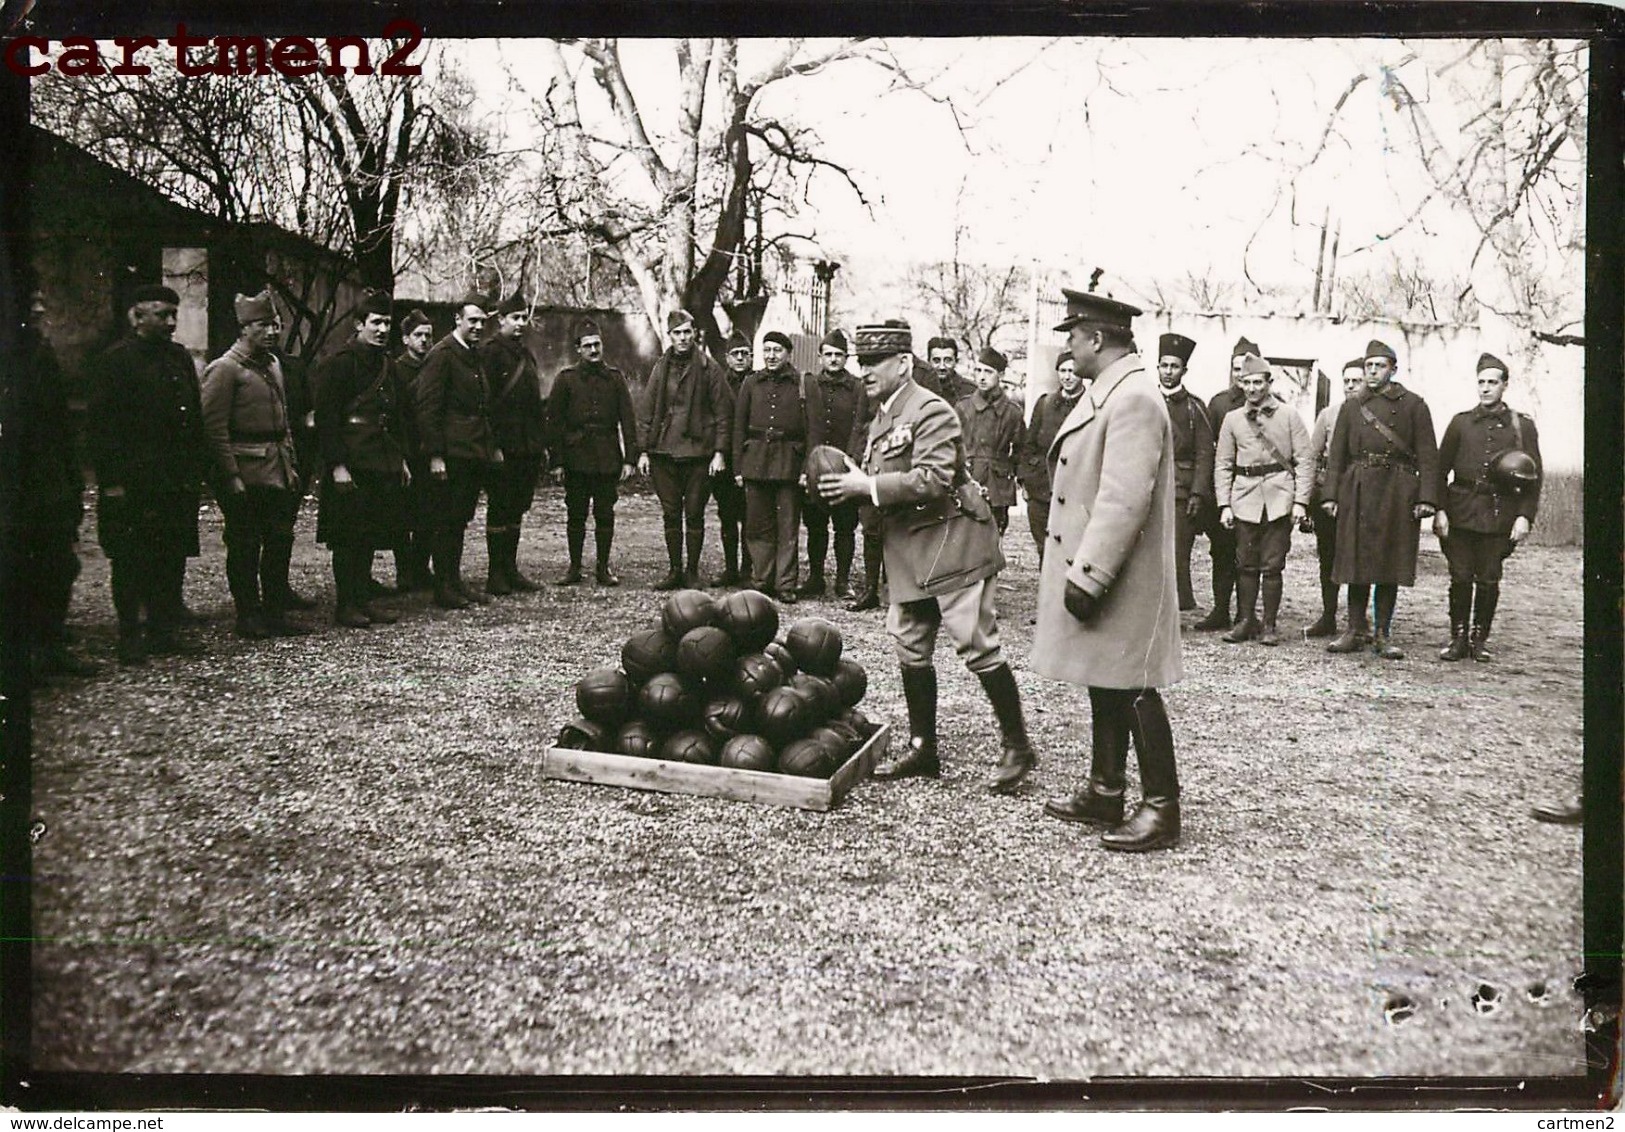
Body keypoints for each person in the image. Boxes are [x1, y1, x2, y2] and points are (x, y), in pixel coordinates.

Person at [817, 319, 1036, 793]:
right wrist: (853, 481)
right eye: (862, 362)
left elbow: (934, 478)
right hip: (912, 549)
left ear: (903, 363)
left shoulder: (931, 410)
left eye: (875, 362)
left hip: (952, 542)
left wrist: (866, 485)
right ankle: (924, 748)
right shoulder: (882, 414)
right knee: (910, 640)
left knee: (975, 642)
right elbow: (888, 477)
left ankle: (1018, 746)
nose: (866, 370)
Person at [1032, 290, 1183, 853]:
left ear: (1097, 339)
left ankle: (1162, 807)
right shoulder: (1116, 389)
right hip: (1109, 567)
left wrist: (1089, 573)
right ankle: (1105, 788)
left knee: (1136, 684)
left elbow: (1124, 499)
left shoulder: (1135, 397)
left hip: (1122, 570)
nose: (1067, 347)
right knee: (1107, 677)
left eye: (1073, 337)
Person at [86, 283, 208, 664]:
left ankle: (161, 630)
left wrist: (194, 470)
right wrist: (113, 483)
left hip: (174, 479)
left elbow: (192, 416)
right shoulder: (115, 361)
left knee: (169, 555)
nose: (172, 322)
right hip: (135, 480)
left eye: (174, 314)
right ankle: (130, 636)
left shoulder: (179, 358)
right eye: (162, 315)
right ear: (137, 317)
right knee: (131, 559)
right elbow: (102, 429)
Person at [199, 290, 308, 639]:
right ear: (244, 328)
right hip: (245, 472)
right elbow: (214, 429)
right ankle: (248, 615)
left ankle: (275, 613)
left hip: (276, 468)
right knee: (245, 545)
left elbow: (285, 422)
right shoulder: (225, 369)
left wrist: (290, 463)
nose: (273, 332)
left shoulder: (274, 365)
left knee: (280, 540)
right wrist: (230, 476)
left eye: (276, 325)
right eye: (263, 326)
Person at [1322, 339, 1440, 660]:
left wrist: (1427, 498)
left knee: (1389, 563)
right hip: (1358, 487)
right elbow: (1337, 457)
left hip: (1396, 491)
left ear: (1393, 369)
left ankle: (1383, 633)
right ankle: (1354, 629)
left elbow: (1429, 455)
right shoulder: (1351, 406)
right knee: (1355, 560)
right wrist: (1330, 495)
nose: (1372, 371)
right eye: (1369, 366)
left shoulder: (1414, 405)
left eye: (1380, 366)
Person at [1434, 352, 1542, 662]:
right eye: (1481, 382)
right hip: (1460, 510)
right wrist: (1440, 510)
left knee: (1489, 576)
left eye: (1492, 382)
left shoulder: (1521, 427)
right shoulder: (1460, 423)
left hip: (1499, 513)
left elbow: (1535, 475)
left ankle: (1479, 639)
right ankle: (1457, 639)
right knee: (1460, 576)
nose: (1485, 388)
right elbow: (1439, 471)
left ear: (1504, 385)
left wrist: (1524, 516)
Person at [313, 290, 412, 628]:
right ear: (359, 325)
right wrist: (337, 465)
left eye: (387, 323)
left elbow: (397, 417)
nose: (383, 329)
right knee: (348, 535)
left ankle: (363, 600)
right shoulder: (341, 363)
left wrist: (400, 458)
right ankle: (346, 605)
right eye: (376, 323)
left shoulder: (386, 364)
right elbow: (326, 418)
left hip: (380, 456)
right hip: (351, 459)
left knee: (370, 532)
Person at [15, 288, 98, 678]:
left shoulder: (40, 353)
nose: (39, 308)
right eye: (29, 301)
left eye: (40, 301)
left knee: (56, 565)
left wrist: (70, 480)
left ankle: (48, 648)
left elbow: (60, 424)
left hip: (46, 482)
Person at [1212, 354, 1314, 646]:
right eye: (1247, 382)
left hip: (1280, 497)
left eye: (1259, 382)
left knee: (1272, 565)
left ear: (1270, 383)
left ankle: (1269, 624)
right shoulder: (1232, 419)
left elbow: (1305, 460)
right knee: (1245, 564)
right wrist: (1224, 505)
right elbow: (1223, 464)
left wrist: (1300, 502)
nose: (1253, 388)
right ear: (1240, 384)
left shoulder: (1289, 415)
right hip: (1244, 497)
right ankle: (1246, 621)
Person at [637, 309, 733, 590]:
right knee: (670, 513)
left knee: (694, 513)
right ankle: (674, 570)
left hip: (698, 454)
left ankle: (692, 571)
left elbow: (723, 413)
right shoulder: (660, 367)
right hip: (663, 452)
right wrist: (642, 450)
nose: (682, 338)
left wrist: (719, 452)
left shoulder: (709, 368)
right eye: (677, 333)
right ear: (669, 336)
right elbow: (646, 411)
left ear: (694, 334)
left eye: (687, 332)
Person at [416, 294, 501, 608]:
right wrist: (435, 454)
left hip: (472, 449)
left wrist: (489, 446)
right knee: (446, 519)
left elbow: (482, 405)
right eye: (472, 321)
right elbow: (428, 408)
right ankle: (444, 587)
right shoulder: (443, 354)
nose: (478, 326)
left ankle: (454, 581)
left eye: (482, 321)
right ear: (457, 320)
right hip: (451, 453)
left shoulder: (473, 354)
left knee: (460, 518)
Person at [548, 318, 639, 586]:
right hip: (576, 458)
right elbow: (554, 423)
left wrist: (630, 459)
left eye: (597, 344)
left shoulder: (615, 378)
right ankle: (574, 567)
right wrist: (557, 461)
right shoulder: (566, 380)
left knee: (605, 513)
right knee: (575, 513)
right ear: (578, 349)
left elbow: (628, 419)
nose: (594, 350)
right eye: (587, 345)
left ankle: (602, 568)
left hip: (606, 458)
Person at [479, 295, 549, 596]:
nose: (521, 324)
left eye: (523, 318)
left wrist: (541, 443)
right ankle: (496, 574)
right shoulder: (490, 353)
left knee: (517, 507)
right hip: (503, 444)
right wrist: (492, 444)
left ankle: (511, 569)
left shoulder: (526, 355)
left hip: (527, 445)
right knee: (500, 506)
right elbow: (484, 403)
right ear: (501, 320)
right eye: (514, 318)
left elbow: (534, 404)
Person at [732, 330, 809, 601]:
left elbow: (811, 431)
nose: (771, 355)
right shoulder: (751, 383)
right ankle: (761, 578)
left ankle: (785, 583)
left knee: (787, 526)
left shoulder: (801, 383)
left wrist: (806, 470)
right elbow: (738, 427)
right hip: (756, 462)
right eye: (767, 350)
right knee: (757, 525)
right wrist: (738, 468)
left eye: (777, 350)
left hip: (789, 461)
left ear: (788, 353)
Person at [1194, 337, 1258, 631]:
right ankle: (1221, 609)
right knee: (1221, 551)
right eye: (1236, 369)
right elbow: (1207, 449)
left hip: (1258, 489)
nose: (1241, 375)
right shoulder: (1218, 403)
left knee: (1251, 552)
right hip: (1225, 489)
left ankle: (1247, 614)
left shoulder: (1275, 405)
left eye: (1246, 368)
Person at [801, 329, 866, 599]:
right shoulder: (810, 385)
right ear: (820, 358)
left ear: (847, 358)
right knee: (815, 524)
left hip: (844, 469)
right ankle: (815, 577)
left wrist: (849, 462)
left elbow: (860, 426)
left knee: (844, 525)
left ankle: (842, 580)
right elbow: (804, 428)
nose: (833, 359)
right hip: (814, 466)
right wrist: (806, 467)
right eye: (828, 355)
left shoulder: (858, 387)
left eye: (839, 355)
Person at [1304, 359, 1366, 637]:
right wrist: (1307, 498)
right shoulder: (1328, 415)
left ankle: (1358, 620)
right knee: (1328, 555)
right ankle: (1328, 615)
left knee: (1360, 557)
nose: (1351, 386)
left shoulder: (1373, 414)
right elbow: (1312, 455)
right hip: (1330, 492)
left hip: (1363, 494)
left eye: (1357, 380)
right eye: (1347, 381)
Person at [1156, 332, 1214, 612]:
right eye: (1164, 365)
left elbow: (1205, 453)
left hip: (1181, 490)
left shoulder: (1194, 407)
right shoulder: (1146, 399)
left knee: (1178, 552)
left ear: (1184, 371)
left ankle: (1176, 609)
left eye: (1174, 366)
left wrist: (1198, 493)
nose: (1168, 372)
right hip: (1150, 486)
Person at [954, 346, 1024, 536]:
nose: (982, 377)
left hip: (997, 485)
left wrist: (1015, 476)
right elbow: (952, 445)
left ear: (1000, 375)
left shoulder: (1012, 412)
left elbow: (1021, 450)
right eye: (978, 371)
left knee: (993, 537)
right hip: (968, 478)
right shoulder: (963, 407)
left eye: (988, 371)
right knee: (964, 537)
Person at [391, 308, 436, 592]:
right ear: (406, 339)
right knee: (401, 515)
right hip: (407, 449)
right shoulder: (396, 369)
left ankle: (421, 567)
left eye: (429, 336)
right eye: (418, 335)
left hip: (429, 448)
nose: (424, 341)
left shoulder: (435, 365)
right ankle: (404, 570)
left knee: (429, 513)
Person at [924, 336, 976, 404]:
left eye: (948, 361)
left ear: (956, 361)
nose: (942, 367)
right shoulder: (921, 389)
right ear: (928, 361)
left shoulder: (970, 391)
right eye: (936, 361)